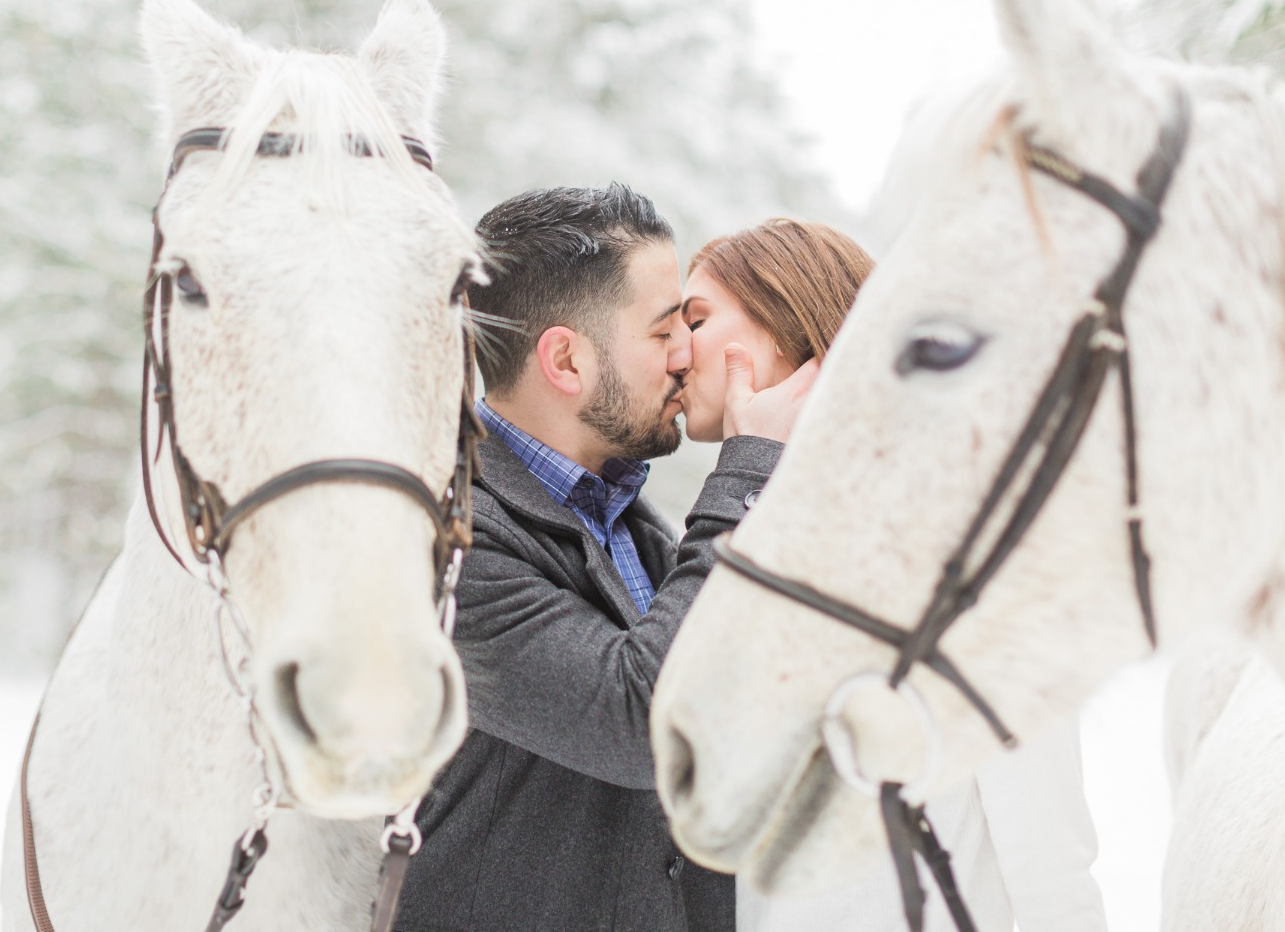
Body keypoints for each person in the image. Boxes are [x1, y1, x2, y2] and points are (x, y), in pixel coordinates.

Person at [393, 184, 813, 932]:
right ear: (566, 360)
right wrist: (749, 475)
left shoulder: (632, 526)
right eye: (663, 333)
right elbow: (644, 723)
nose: (688, 354)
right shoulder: (448, 545)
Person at [679, 217, 1109, 932]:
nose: (672, 348)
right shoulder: (731, 552)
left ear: (782, 330)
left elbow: (1049, 854)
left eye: (695, 318)